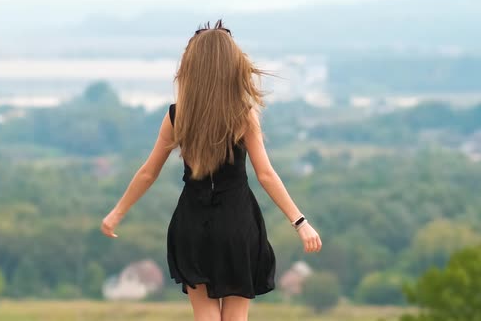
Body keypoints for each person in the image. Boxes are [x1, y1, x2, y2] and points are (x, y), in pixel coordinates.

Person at [101, 19, 322, 321]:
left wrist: (117, 213)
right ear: (232, 66)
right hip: (237, 225)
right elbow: (266, 174)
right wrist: (301, 222)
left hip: (192, 224)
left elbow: (148, 172)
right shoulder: (243, 114)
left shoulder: (177, 115)